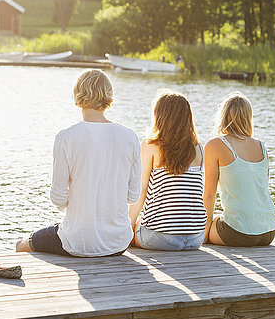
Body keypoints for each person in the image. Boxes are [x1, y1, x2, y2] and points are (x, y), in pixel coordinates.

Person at [16, 69, 141, 257]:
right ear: (108, 95)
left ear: (77, 94)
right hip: (118, 243)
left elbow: (57, 198)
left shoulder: (66, 137)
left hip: (78, 242)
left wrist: (82, 205)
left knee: (21, 244)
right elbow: (133, 196)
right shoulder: (130, 137)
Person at [129, 90, 206, 250]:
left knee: (135, 225)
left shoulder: (151, 146)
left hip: (161, 238)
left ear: (160, 117)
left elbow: (141, 191)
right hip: (196, 237)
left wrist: (128, 226)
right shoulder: (198, 148)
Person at [204, 92, 275, 247]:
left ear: (223, 116)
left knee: (212, 223)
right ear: (248, 118)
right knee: (220, 217)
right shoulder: (261, 146)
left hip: (238, 234)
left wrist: (203, 235)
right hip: (268, 231)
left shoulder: (214, 145)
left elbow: (209, 194)